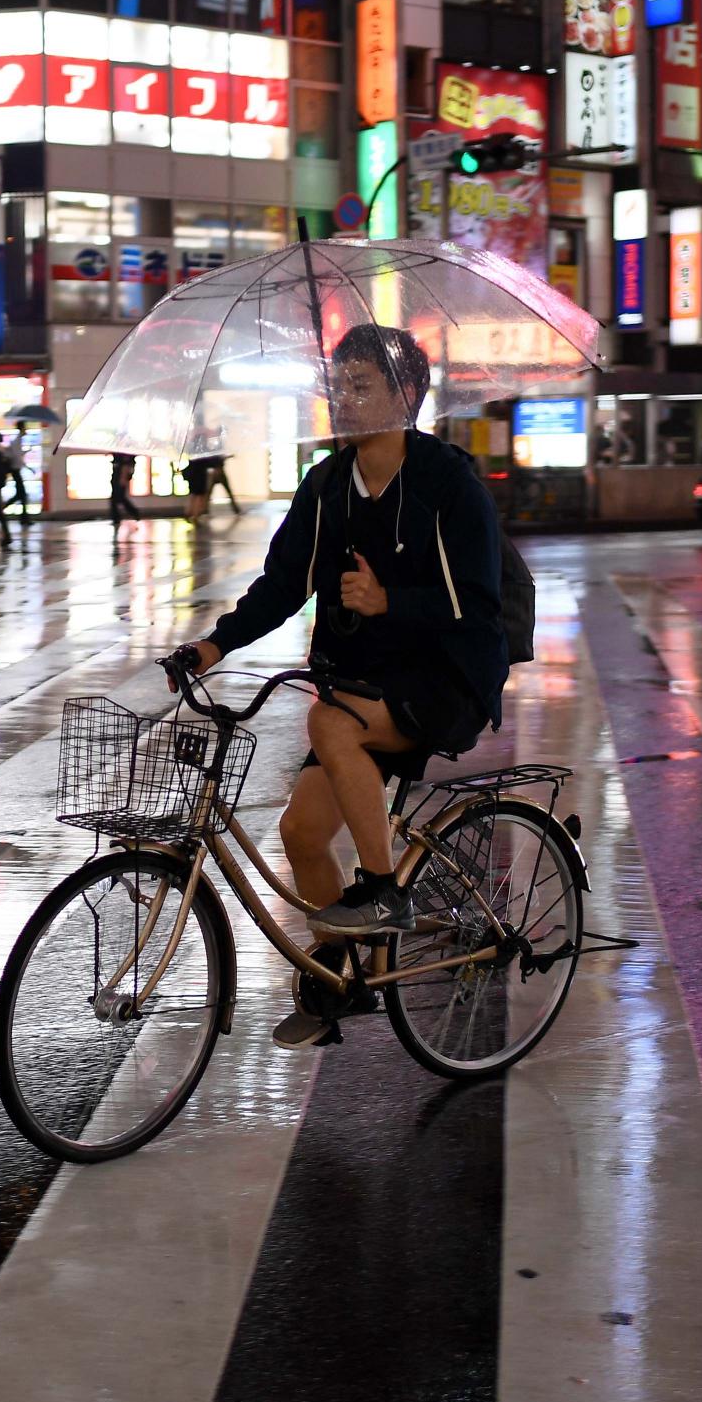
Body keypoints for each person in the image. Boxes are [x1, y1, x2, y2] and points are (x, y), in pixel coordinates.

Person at [171, 324, 507, 1050]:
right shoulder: (327, 485)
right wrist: (214, 644)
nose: (345, 399)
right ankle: (343, 965)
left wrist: (393, 602)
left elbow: (480, 606)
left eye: (363, 386)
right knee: (298, 831)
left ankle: (383, 893)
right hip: (363, 681)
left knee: (331, 722)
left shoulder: (449, 483)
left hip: (446, 675)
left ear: (407, 395)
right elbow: (283, 584)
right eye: (340, 384)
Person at [108, 452, 142, 526]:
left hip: (120, 476)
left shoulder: (125, 456)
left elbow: (126, 465)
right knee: (117, 498)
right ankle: (118, 518)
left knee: (119, 498)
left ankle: (133, 513)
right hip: (117, 476)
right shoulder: (120, 455)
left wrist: (123, 478)